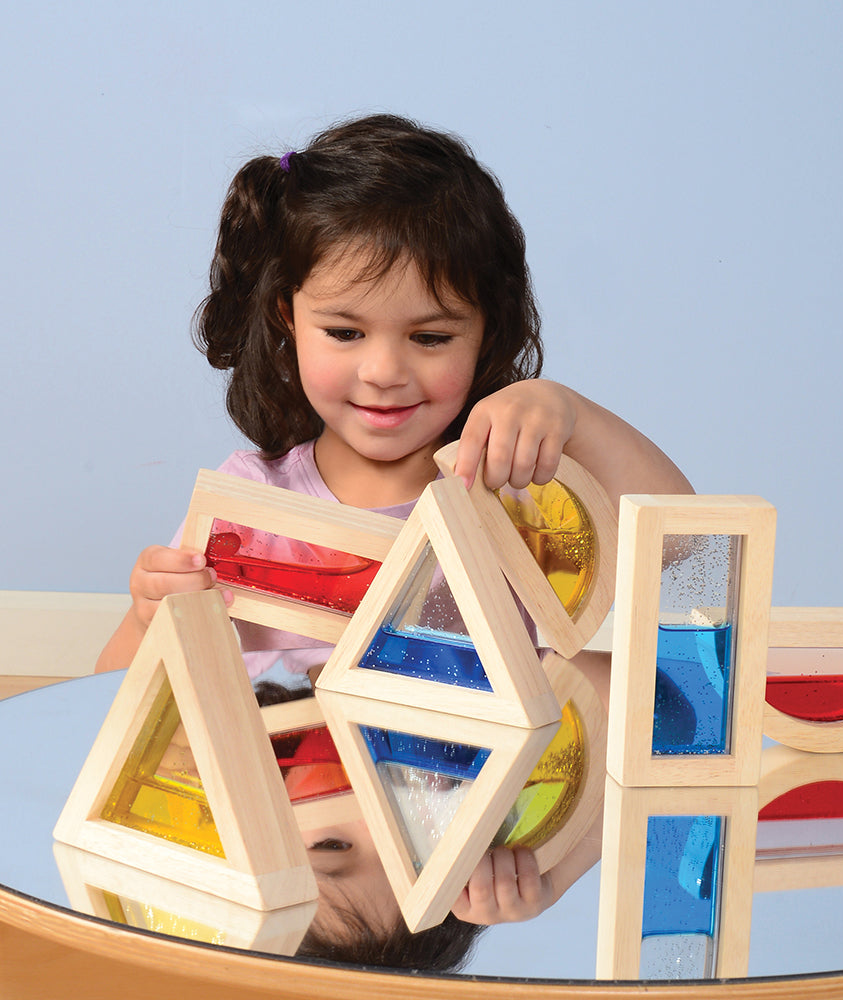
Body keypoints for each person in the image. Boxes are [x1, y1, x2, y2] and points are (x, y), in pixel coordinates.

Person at [94, 113, 693, 941]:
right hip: (489, 771)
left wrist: (573, 416)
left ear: (489, 332)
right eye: (345, 332)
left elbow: (691, 559)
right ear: (285, 318)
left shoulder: (516, 489)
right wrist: (148, 619)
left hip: (520, 741)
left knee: (612, 676)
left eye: (431, 336)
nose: (383, 371)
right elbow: (122, 718)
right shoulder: (250, 511)